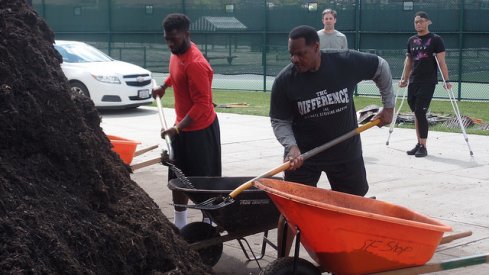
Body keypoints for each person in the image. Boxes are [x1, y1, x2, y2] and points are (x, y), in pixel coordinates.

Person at [270, 25, 394, 257]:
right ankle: (282, 264)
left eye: (300, 53)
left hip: (345, 152)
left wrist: (388, 107)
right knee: (292, 213)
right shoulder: (285, 80)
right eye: (291, 53)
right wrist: (291, 146)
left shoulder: (344, 62)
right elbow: (279, 120)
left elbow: (381, 66)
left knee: (353, 207)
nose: (295, 59)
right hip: (304, 157)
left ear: (316, 47)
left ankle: (349, 257)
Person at [152, 13, 221, 229]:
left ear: (187, 34)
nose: (171, 44)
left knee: (204, 182)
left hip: (201, 131)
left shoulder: (196, 63)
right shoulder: (177, 54)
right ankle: (180, 224)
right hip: (181, 128)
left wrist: (177, 128)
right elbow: (176, 74)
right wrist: (164, 86)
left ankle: (209, 223)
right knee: (177, 177)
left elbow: (202, 104)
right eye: (167, 40)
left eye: (175, 39)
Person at [399, 11, 452, 158]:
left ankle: (423, 146)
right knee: (416, 113)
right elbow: (409, 61)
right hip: (413, 81)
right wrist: (404, 78)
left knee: (420, 111)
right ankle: (418, 143)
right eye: (416, 22)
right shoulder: (411, 40)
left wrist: (446, 80)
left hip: (428, 81)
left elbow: (441, 61)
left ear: (428, 22)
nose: (418, 24)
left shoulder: (436, 39)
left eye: (421, 21)